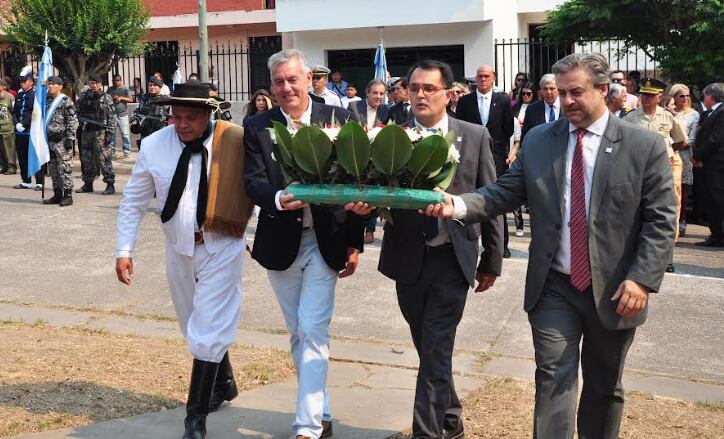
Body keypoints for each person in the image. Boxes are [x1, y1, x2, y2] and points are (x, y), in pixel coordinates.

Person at [426, 52, 676, 439]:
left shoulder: (644, 146)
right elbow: (505, 191)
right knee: (553, 377)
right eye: (561, 93)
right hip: (554, 286)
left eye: (576, 92)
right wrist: (457, 204)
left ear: (603, 90)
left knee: (603, 386)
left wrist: (642, 279)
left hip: (615, 288)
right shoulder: (542, 139)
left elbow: (661, 221)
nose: (567, 101)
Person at [116, 82, 252, 439]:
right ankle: (223, 382)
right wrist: (124, 251)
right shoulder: (154, 146)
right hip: (178, 247)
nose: (182, 124)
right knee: (192, 325)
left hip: (222, 244)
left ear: (209, 114)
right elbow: (133, 202)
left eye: (190, 118)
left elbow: (259, 187)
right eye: (176, 117)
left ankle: (194, 423)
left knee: (207, 328)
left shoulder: (234, 142)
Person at [243, 49, 367, 439]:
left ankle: (307, 428)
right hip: (281, 243)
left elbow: (359, 181)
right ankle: (322, 409)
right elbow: (253, 181)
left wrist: (356, 240)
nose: (285, 88)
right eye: (278, 82)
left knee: (313, 328)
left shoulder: (340, 119)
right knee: (298, 331)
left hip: (326, 243)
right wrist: (278, 198)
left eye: (292, 80)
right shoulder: (257, 126)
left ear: (309, 78)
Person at [378, 59, 503, 439]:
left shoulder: (474, 135)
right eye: (413, 87)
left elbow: (490, 196)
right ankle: (450, 416)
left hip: (454, 257)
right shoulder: (389, 137)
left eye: (428, 88)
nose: (419, 94)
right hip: (408, 260)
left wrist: (492, 259)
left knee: (435, 347)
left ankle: (427, 432)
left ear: (448, 95)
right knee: (427, 347)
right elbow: (375, 191)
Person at [624, 78, 686, 272]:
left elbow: (681, 141)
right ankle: (636, 254)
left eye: (650, 96)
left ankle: (667, 258)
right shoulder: (631, 118)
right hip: (639, 170)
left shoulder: (668, 117)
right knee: (639, 210)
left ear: (659, 98)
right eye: (643, 95)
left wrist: (667, 153)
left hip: (665, 169)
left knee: (668, 211)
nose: (646, 99)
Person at [455, 64, 515, 257]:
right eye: (479, 76)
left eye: (486, 76)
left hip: (496, 157)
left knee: (497, 199)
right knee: (469, 197)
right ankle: (466, 239)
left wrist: (501, 151)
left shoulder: (503, 100)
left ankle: (501, 245)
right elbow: (460, 129)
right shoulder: (466, 101)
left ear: (493, 78)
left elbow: (509, 129)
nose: (482, 80)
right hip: (470, 156)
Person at [693, 83, 724, 247]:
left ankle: (718, 234)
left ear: (711, 96)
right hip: (710, 164)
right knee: (712, 199)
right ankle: (716, 232)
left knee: (716, 199)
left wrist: (697, 154)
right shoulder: (711, 113)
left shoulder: (721, 112)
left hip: (717, 164)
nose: (704, 99)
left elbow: (716, 138)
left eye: (705, 96)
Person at [75, 74, 116, 195]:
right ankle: (88, 183)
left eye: (96, 83)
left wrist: (110, 132)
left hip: (101, 132)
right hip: (87, 131)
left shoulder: (106, 98)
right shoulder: (83, 97)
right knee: (86, 158)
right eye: (91, 83)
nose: (93, 85)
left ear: (100, 84)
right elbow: (77, 111)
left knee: (103, 159)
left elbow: (112, 117)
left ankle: (110, 184)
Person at [42, 76, 78, 207]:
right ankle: (57, 194)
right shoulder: (45, 100)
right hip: (49, 140)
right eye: (49, 84)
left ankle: (68, 195)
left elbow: (73, 121)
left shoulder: (65, 101)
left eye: (53, 84)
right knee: (54, 169)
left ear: (60, 86)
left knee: (65, 168)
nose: (50, 86)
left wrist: (70, 138)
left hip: (62, 140)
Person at [670, 83, 700, 237]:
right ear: (673, 97)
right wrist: (670, 111)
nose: (685, 98)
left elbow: (692, 139)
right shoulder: (667, 112)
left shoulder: (693, 114)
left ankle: (682, 220)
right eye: (681, 95)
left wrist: (673, 146)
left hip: (684, 155)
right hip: (667, 156)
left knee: (683, 189)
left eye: (687, 95)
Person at [509, 81, 538, 237]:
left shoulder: (535, 109)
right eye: (523, 94)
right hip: (516, 148)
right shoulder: (515, 109)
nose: (526, 96)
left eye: (529, 94)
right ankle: (518, 221)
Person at [12, 68, 42, 190]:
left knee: (35, 157)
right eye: (21, 81)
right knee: (22, 157)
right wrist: (16, 124)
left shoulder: (35, 95)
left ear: (31, 81)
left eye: (24, 81)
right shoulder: (19, 95)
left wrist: (25, 123)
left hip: (31, 131)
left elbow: (36, 113)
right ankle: (26, 180)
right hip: (20, 132)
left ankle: (39, 181)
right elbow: (14, 112)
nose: (22, 83)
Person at [131, 76, 171, 150]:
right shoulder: (144, 99)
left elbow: (171, 119)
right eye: (150, 85)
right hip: (145, 135)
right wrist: (135, 120)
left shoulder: (166, 101)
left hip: (160, 136)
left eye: (155, 85)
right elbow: (137, 112)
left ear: (160, 87)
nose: (152, 87)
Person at [521, 73, 560, 143]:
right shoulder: (532, 110)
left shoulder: (566, 107)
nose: (548, 92)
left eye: (552, 88)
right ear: (541, 91)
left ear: (558, 89)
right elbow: (525, 137)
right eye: (545, 89)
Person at [107, 74, 133, 158]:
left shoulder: (125, 89)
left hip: (123, 115)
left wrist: (121, 98)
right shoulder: (110, 89)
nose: (116, 82)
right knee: (112, 134)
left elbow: (131, 99)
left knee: (125, 134)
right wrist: (112, 98)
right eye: (114, 80)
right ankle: (112, 151)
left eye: (118, 80)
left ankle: (127, 151)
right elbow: (106, 99)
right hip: (112, 115)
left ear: (120, 80)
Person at [0, 78, 16, 175]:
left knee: (9, 149)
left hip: (7, 128)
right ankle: (4, 166)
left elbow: (14, 112)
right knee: (1, 150)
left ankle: (11, 167)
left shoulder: (9, 97)